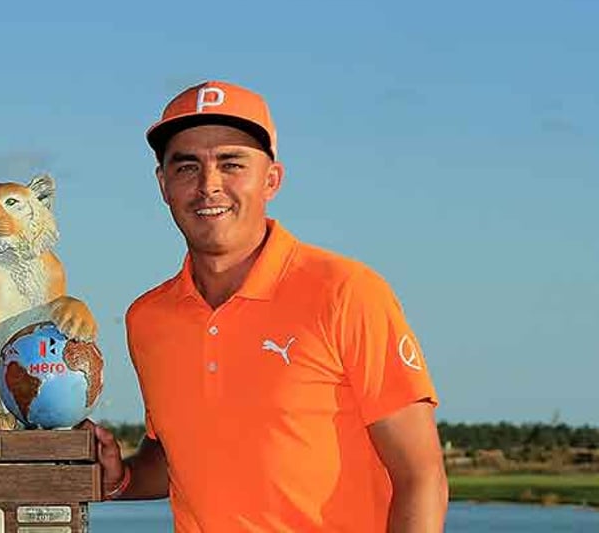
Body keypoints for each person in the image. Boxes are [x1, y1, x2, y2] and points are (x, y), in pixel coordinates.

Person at [88, 80, 448, 532]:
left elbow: (421, 475)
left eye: (231, 164)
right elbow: (179, 456)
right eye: (187, 167)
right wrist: (124, 478)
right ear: (163, 184)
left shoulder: (348, 292)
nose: (208, 186)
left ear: (271, 180)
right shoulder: (147, 318)